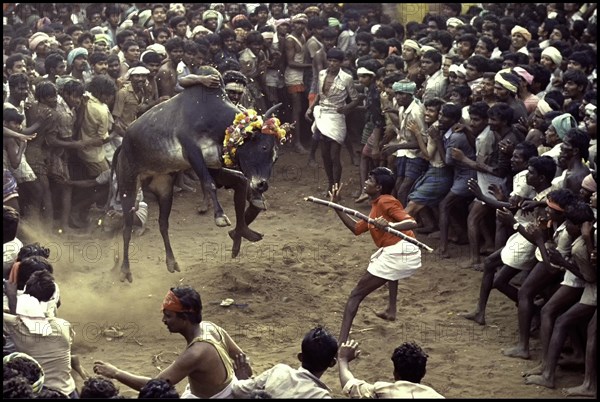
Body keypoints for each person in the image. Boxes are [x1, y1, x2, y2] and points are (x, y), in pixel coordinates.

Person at [93, 285, 246, 398]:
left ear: (184, 318)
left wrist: (116, 373)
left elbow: (155, 387)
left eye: (168, 316)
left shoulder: (196, 353)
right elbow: (243, 359)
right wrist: (241, 380)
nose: (164, 320)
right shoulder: (211, 327)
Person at [329, 167, 421, 344]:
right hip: (398, 250)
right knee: (389, 269)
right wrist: (336, 206)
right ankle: (391, 310)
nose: (366, 182)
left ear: (378, 187)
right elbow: (356, 229)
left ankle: (341, 342)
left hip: (401, 251)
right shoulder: (376, 205)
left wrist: (390, 226)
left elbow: (411, 222)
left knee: (355, 295)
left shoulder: (386, 202)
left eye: (370, 180)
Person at [305, 47, 360, 195]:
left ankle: (336, 188)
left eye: (335, 61)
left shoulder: (347, 78)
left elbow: (355, 99)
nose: (332, 64)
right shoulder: (322, 74)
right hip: (322, 114)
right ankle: (330, 184)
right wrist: (311, 108)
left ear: (341, 63)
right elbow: (319, 95)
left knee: (335, 155)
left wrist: (346, 109)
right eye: (330, 60)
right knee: (324, 154)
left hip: (336, 117)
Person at [232, 326, 338, 398]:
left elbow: (237, 390)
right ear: (332, 363)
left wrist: (246, 380)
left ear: (300, 357)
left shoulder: (279, 371)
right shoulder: (320, 395)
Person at [338, 340, 444, 398]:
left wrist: (343, 360)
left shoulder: (382, 392)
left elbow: (350, 385)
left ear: (395, 373)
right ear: (423, 373)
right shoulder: (437, 397)